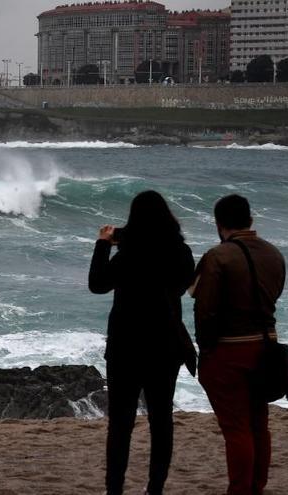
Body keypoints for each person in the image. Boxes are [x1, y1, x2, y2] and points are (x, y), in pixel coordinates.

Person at [89, 190, 195, 495]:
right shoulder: (181, 252)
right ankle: (155, 489)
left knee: (120, 424)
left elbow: (97, 284)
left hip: (126, 345)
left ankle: (114, 490)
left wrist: (103, 244)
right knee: (162, 420)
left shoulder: (128, 254)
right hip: (166, 345)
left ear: (133, 220)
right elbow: (184, 285)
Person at [193, 194, 286, 495]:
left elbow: (204, 309)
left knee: (236, 428)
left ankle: (240, 490)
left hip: (229, 351)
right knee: (259, 423)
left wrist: (205, 351)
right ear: (250, 220)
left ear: (219, 224)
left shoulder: (218, 256)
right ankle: (256, 487)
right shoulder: (274, 254)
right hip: (267, 347)